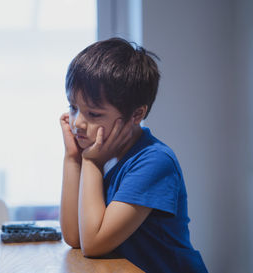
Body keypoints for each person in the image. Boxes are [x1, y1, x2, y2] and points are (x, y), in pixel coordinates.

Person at [59, 37, 207, 273]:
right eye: (73, 107)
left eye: (94, 114)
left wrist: (90, 162)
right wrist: (72, 158)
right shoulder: (103, 154)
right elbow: (74, 237)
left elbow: (93, 244)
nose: (77, 123)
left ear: (136, 115)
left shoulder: (154, 161)